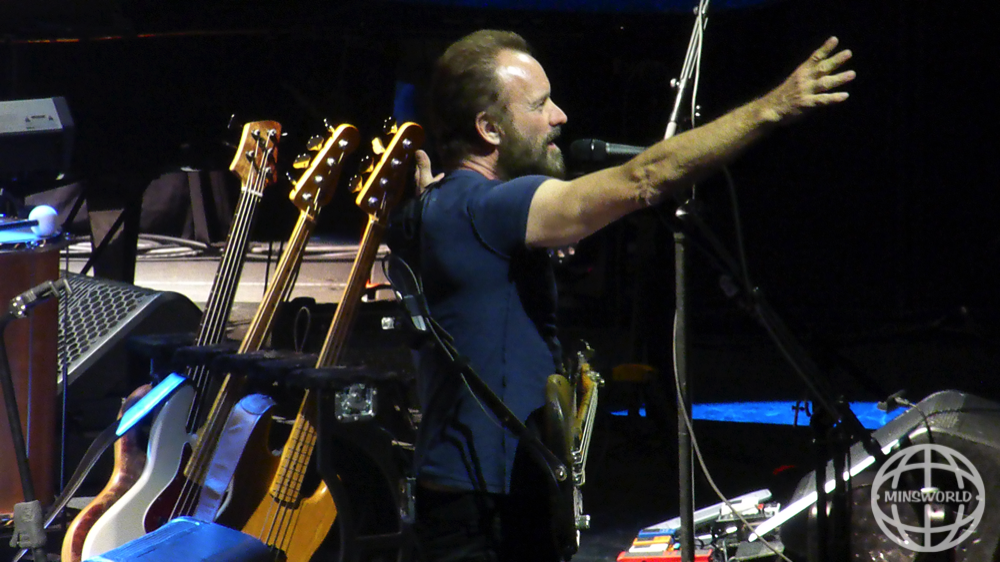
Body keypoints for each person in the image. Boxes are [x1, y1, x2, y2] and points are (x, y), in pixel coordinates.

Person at [401, 29, 855, 562]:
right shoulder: (489, 207)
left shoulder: (442, 206)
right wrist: (772, 108)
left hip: (473, 496)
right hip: (486, 514)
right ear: (489, 128)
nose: (560, 116)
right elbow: (646, 176)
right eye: (540, 105)